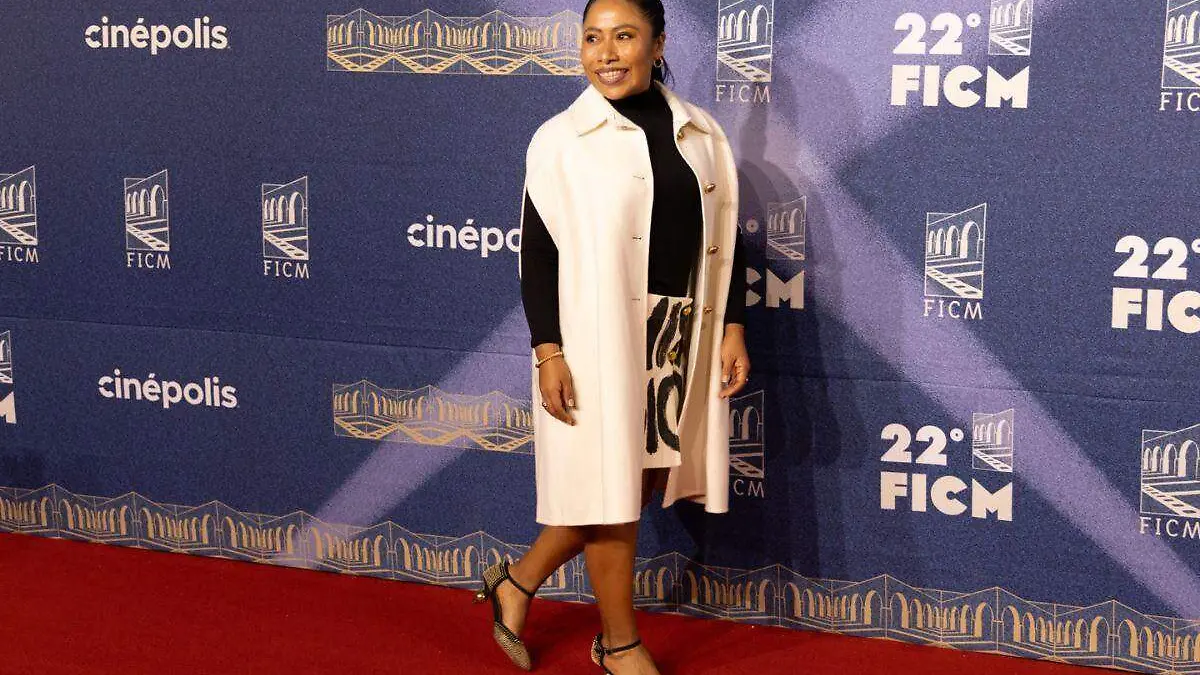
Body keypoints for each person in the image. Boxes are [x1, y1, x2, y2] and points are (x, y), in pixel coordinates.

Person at [475, 0, 750, 672]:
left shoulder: (702, 132)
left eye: (624, 36)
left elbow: (725, 235)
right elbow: (537, 254)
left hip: (677, 332)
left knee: (637, 483)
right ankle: (619, 644)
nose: (606, 53)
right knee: (611, 491)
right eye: (592, 38)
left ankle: (516, 582)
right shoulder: (560, 140)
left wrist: (733, 325)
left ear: (657, 44)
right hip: (598, 337)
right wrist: (548, 350)